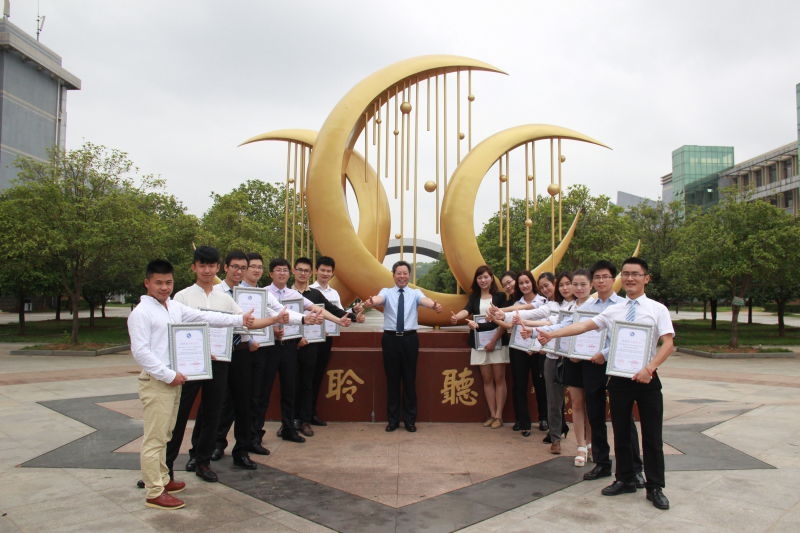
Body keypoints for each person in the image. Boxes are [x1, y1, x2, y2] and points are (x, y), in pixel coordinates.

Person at [128, 259, 267, 510]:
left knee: (166, 433)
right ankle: (154, 491)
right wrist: (168, 374)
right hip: (159, 381)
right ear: (147, 283)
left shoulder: (172, 307)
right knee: (155, 438)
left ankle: (164, 479)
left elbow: (206, 316)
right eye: (158, 283)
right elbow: (141, 352)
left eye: (168, 282)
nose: (164, 287)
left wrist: (239, 319)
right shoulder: (141, 312)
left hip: (172, 380)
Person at [537, 257, 675, 510]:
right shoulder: (614, 311)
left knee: (652, 436)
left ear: (646, 278)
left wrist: (650, 368)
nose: (630, 278)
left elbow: (668, 344)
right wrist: (552, 334)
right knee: (620, 430)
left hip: (647, 379)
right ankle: (624, 479)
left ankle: (655, 486)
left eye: (635, 274)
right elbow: (583, 326)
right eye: (626, 273)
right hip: (619, 379)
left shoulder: (657, 309)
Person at [212, 251, 304, 469]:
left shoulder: (259, 295)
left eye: (256, 267)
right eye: (246, 267)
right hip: (222, 352)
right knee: (225, 402)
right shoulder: (217, 293)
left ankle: (245, 446)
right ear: (226, 268)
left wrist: (305, 319)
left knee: (249, 400)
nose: (251, 270)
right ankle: (217, 443)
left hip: (250, 351)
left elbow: (277, 312)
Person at [164, 246, 247, 484]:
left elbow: (243, 322)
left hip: (219, 362)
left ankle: (202, 461)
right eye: (202, 266)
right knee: (179, 415)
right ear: (194, 267)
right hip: (189, 365)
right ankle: (165, 467)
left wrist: (275, 321)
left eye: (211, 266)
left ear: (218, 268)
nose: (207, 270)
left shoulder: (225, 299)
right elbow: (175, 331)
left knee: (213, 413)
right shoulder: (182, 297)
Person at [574, 260, 645, 487]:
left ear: (614, 279)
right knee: (595, 415)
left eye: (605, 277)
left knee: (624, 418)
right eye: (597, 277)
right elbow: (577, 329)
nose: (601, 281)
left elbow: (628, 337)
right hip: (591, 366)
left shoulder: (625, 305)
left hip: (618, 366)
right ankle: (602, 463)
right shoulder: (587, 306)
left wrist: (604, 353)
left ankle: (635, 468)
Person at [259, 257, 337, 444]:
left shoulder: (294, 295)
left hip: (292, 347)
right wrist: (274, 329)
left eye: (284, 270)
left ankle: (291, 426)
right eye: (278, 270)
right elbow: (259, 318)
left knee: (292, 387)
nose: (282, 273)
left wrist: (339, 320)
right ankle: (255, 433)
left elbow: (317, 309)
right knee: (263, 391)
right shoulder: (263, 293)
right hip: (270, 347)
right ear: (271, 273)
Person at [363, 260, 443, 432]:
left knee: (409, 379)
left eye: (405, 273)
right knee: (392, 380)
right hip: (390, 339)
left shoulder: (415, 293)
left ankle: (410, 420)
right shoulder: (386, 292)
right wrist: (372, 302)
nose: (402, 276)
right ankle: (392, 420)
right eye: (398, 273)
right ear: (393, 275)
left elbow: (425, 301)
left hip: (409, 340)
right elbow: (378, 299)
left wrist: (434, 305)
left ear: (409, 275)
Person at [290, 256, 357, 436]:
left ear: (310, 273)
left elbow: (331, 309)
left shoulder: (314, 295)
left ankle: (305, 419)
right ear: (294, 271)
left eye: (306, 271)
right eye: (300, 270)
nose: (303, 273)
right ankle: (289, 421)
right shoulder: (286, 294)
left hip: (312, 344)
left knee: (308, 382)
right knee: (291, 383)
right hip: (291, 345)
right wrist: (296, 339)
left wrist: (351, 317)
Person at [450, 265, 509, 429]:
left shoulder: (500, 296)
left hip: (497, 342)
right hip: (480, 343)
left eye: (486, 277)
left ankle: (499, 416)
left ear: (491, 278)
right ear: (476, 280)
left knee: (499, 379)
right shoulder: (474, 297)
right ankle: (492, 414)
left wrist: (493, 341)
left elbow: (503, 321)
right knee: (487, 379)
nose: (483, 280)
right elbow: (466, 310)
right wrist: (456, 317)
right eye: (480, 277)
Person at [309, 256, 364, 426]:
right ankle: (301, 415)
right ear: (316, 271)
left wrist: (353, 312)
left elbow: (338, 312)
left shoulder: (334, 293)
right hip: (310, 340)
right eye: (322, 270)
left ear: (332, 273)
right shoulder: (309, 291)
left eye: (328, 271)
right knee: (306, 378)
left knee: (318, 376)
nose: (325, 273)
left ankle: (311, 413)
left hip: (327, 339)